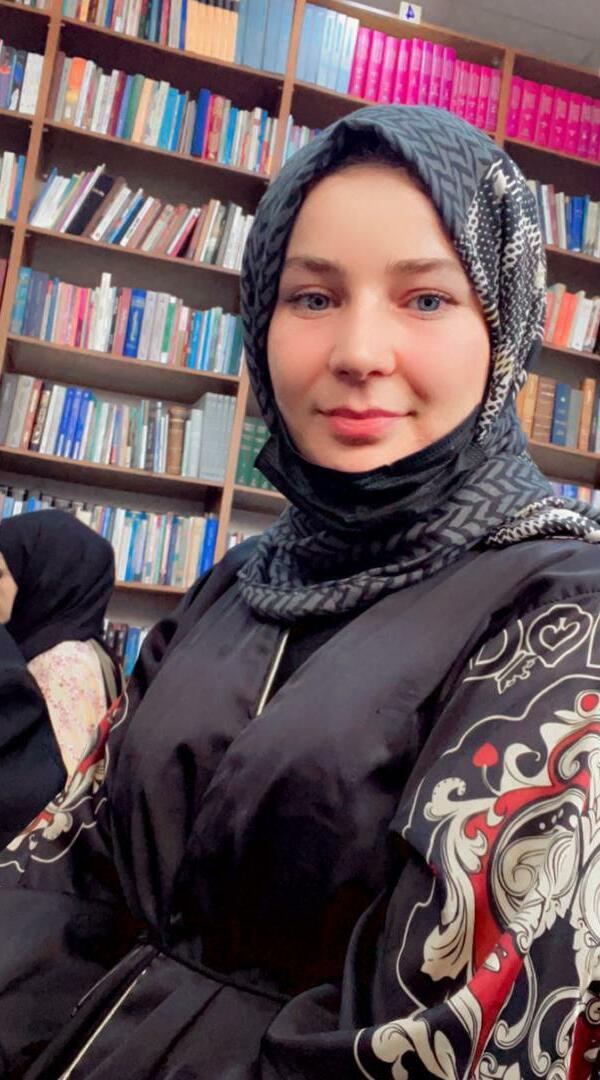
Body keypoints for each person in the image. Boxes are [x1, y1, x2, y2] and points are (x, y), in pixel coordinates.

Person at [0, 105, 599, 1078]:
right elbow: (68, 873)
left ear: (505, 324)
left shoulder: (563, 610)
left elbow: (457, 1039)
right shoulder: (240, 582)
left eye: (426, 299)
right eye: (313, 297)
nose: (359, 351)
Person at [0, 510, 120, 846]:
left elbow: (47, 798)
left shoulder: (59, 666)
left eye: (1, 575)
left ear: (43, 579)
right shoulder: (91, 649)